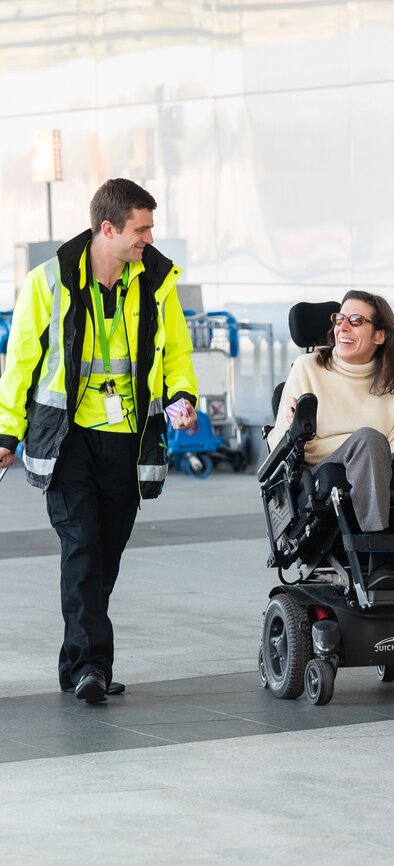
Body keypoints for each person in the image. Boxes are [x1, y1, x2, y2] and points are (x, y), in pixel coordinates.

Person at [0, 178, 198, 702]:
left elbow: (176, 351)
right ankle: (92, 666)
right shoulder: (49, 282)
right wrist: (5, 431)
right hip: (68, 440)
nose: (149, 239)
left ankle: (77, 659)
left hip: (127, 443)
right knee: (83, 547)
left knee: (105, 553)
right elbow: (20, 363)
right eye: (142, 228)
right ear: (107, 228)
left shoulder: (155, 282)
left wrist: (182, 395)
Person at [268, 289, 394, 589]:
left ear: (380, 335)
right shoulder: (309, 368)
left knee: (372, 445)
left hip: (381, 461)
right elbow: (278, 442)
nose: (342, 326)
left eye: (355, 320)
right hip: (321, 467)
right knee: (368, 439)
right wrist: (292, 428)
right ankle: (378, 557)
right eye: (340, 318)